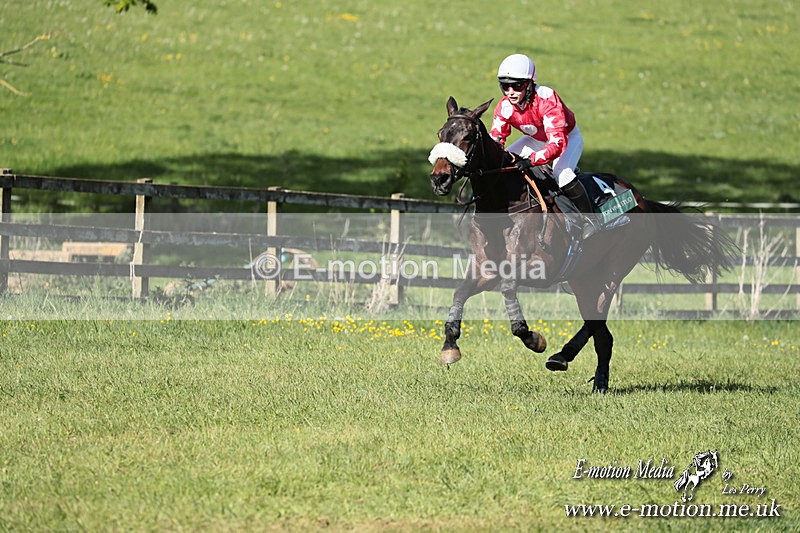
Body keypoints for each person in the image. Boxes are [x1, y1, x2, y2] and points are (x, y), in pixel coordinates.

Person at [489, 53, 597, 237]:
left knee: (562, 175)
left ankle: (590, 220)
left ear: (529, 84)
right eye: (505, 86)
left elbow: (556, 144)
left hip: (567, 139)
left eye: (516, 86)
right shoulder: (504, 106)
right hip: (536, 140)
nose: (510, 92)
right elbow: (496, 141)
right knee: (502, 163)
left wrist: (531, 160)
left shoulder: (547, 99)